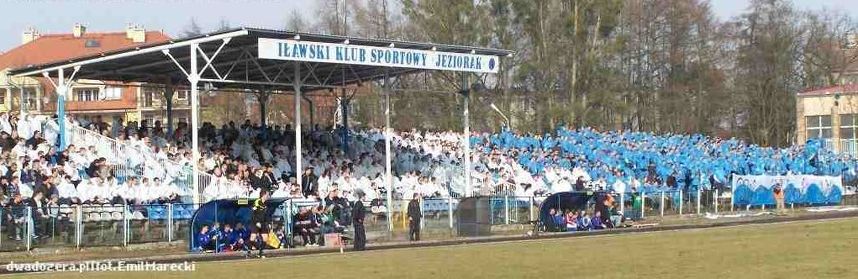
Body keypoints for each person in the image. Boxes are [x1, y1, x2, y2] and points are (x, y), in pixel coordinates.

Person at [250, 191, 270, 258]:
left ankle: (260, 253)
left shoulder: (266, 204)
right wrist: (256, 222)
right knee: (252, 238)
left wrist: (268, 223)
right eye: (267, 194)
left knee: (265, 239)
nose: (268, 196)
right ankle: (251, 250)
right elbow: (253, 213)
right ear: (264, 195)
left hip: (263, 223)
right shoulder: (257, 202)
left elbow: (266, 215)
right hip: (256, 223)